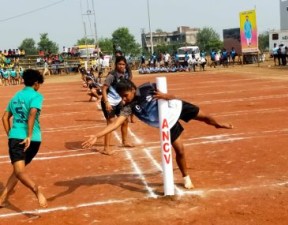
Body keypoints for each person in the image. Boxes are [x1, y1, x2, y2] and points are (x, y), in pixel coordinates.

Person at [83, 79, 233, 189]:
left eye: (126, 95)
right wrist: (97, 135)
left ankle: (218, 124)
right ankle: (186, 177)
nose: (124, 99)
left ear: (133, 89)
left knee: (206, 118)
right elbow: (115, 123)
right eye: (121, 96)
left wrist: (168, 96)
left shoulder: (147, 88)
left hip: (176, 107)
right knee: (180, 150)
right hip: (167, 123)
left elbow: (171, 95)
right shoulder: (129, 107)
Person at [0, 69, 47, 208]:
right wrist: (30, 136)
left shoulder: (15, 96)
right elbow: (33, 112)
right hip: (35, 140)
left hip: (17, 138)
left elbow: (4, 118)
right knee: (18, 171)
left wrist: (11, 135)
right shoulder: (36, 96)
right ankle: (2, 198)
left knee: (19, 171)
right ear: (36, 83)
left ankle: (36, 190)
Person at [100, 56, 134, 155]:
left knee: (124, 120)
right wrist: (106, 102)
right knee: (110, 124)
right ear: (116, 65)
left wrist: (123, 100)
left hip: (119, 101)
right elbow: (104, 89)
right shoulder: (112, 75)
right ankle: (106, 148)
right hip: (109, 101)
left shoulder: (125, 74)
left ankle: (124, 141)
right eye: (119, 64)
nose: (121, 66)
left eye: (123, 64)